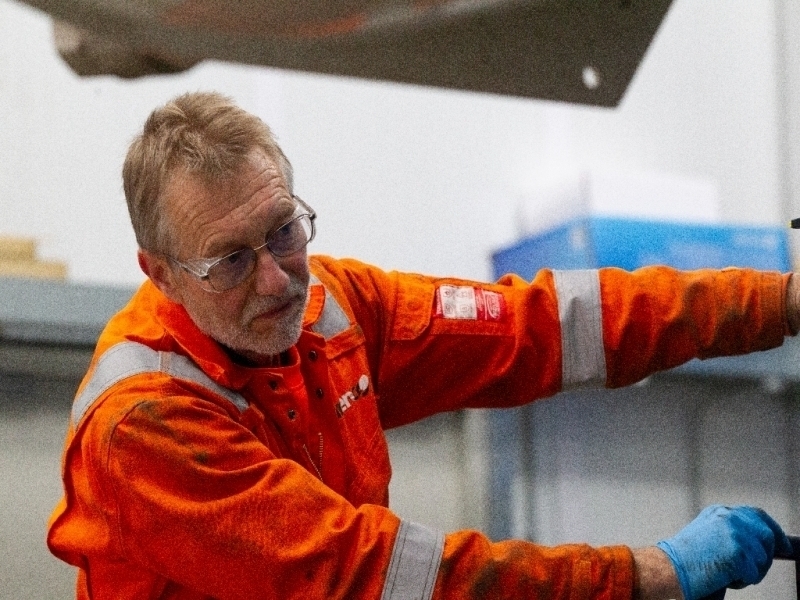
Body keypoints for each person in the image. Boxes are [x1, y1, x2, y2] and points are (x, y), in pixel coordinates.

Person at [47, 91, 798, 600]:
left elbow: (540, 327)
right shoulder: (142, 425)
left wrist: (781, 301)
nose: (277, 280)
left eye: (284, 230)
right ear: (162, 275)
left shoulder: (332, 308)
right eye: (232, 260)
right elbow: (373, 577)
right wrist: (644, 574)